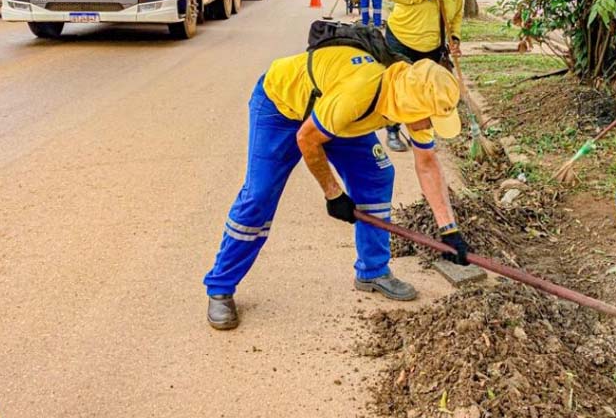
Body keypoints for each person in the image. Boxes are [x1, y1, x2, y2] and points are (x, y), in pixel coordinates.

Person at [202, 50, 472, 330]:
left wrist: (449, 230)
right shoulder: (358, 93)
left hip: (335, 118)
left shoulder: (411, 98)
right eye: (429, 120)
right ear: (411, 106)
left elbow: (427, 163)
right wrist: (333, 194)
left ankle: (373, 271)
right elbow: (307, 139)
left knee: (377, 175)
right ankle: (221, 285)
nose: (429, 126)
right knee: (259, 195)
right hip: (282, 106)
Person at [383, 0, 473, 152]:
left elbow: (456, 15)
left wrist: (455, 38)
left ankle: (421, 133)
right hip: (402, 41)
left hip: (432, 46)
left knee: (425, 90)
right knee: (397, 89)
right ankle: (393, 131)